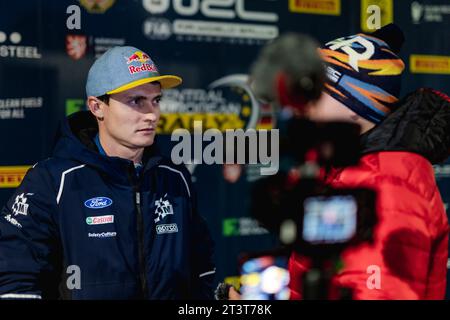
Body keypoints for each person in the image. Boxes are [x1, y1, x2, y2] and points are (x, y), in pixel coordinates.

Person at [249, 24, 450, 299]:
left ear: (358, 103)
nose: (304, 99)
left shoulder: (387, 182)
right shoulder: (348, 168)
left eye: (319, 88)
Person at [0, 46, 215, 299]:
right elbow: (15, 279)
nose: (151, 114)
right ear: (97, 107)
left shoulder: (174, 177)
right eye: (136, 101)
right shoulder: (52, 180)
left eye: (155, 100)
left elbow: (200, 270)